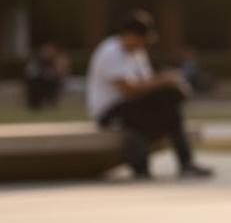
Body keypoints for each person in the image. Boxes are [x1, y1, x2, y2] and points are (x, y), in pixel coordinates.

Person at [85, 10, 214, 180]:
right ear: (130, 35)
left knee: (171, 110)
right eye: (142, 39)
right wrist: (162, 81)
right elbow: (129, 90)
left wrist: (167, 79)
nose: (144, 44)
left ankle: (183, 164)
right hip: (109, 110)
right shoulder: (111, 51)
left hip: (132, 106)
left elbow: (147, 82)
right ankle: (146, 162)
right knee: (165, 104)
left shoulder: (138, 53)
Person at [23, 42, 69, 110]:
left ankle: (47, 102)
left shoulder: (57, 60)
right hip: (40, 82)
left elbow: (62, 72)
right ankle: (35, 104)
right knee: (36, 84)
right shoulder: (37, 62)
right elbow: (30, 72)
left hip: (53, 82)